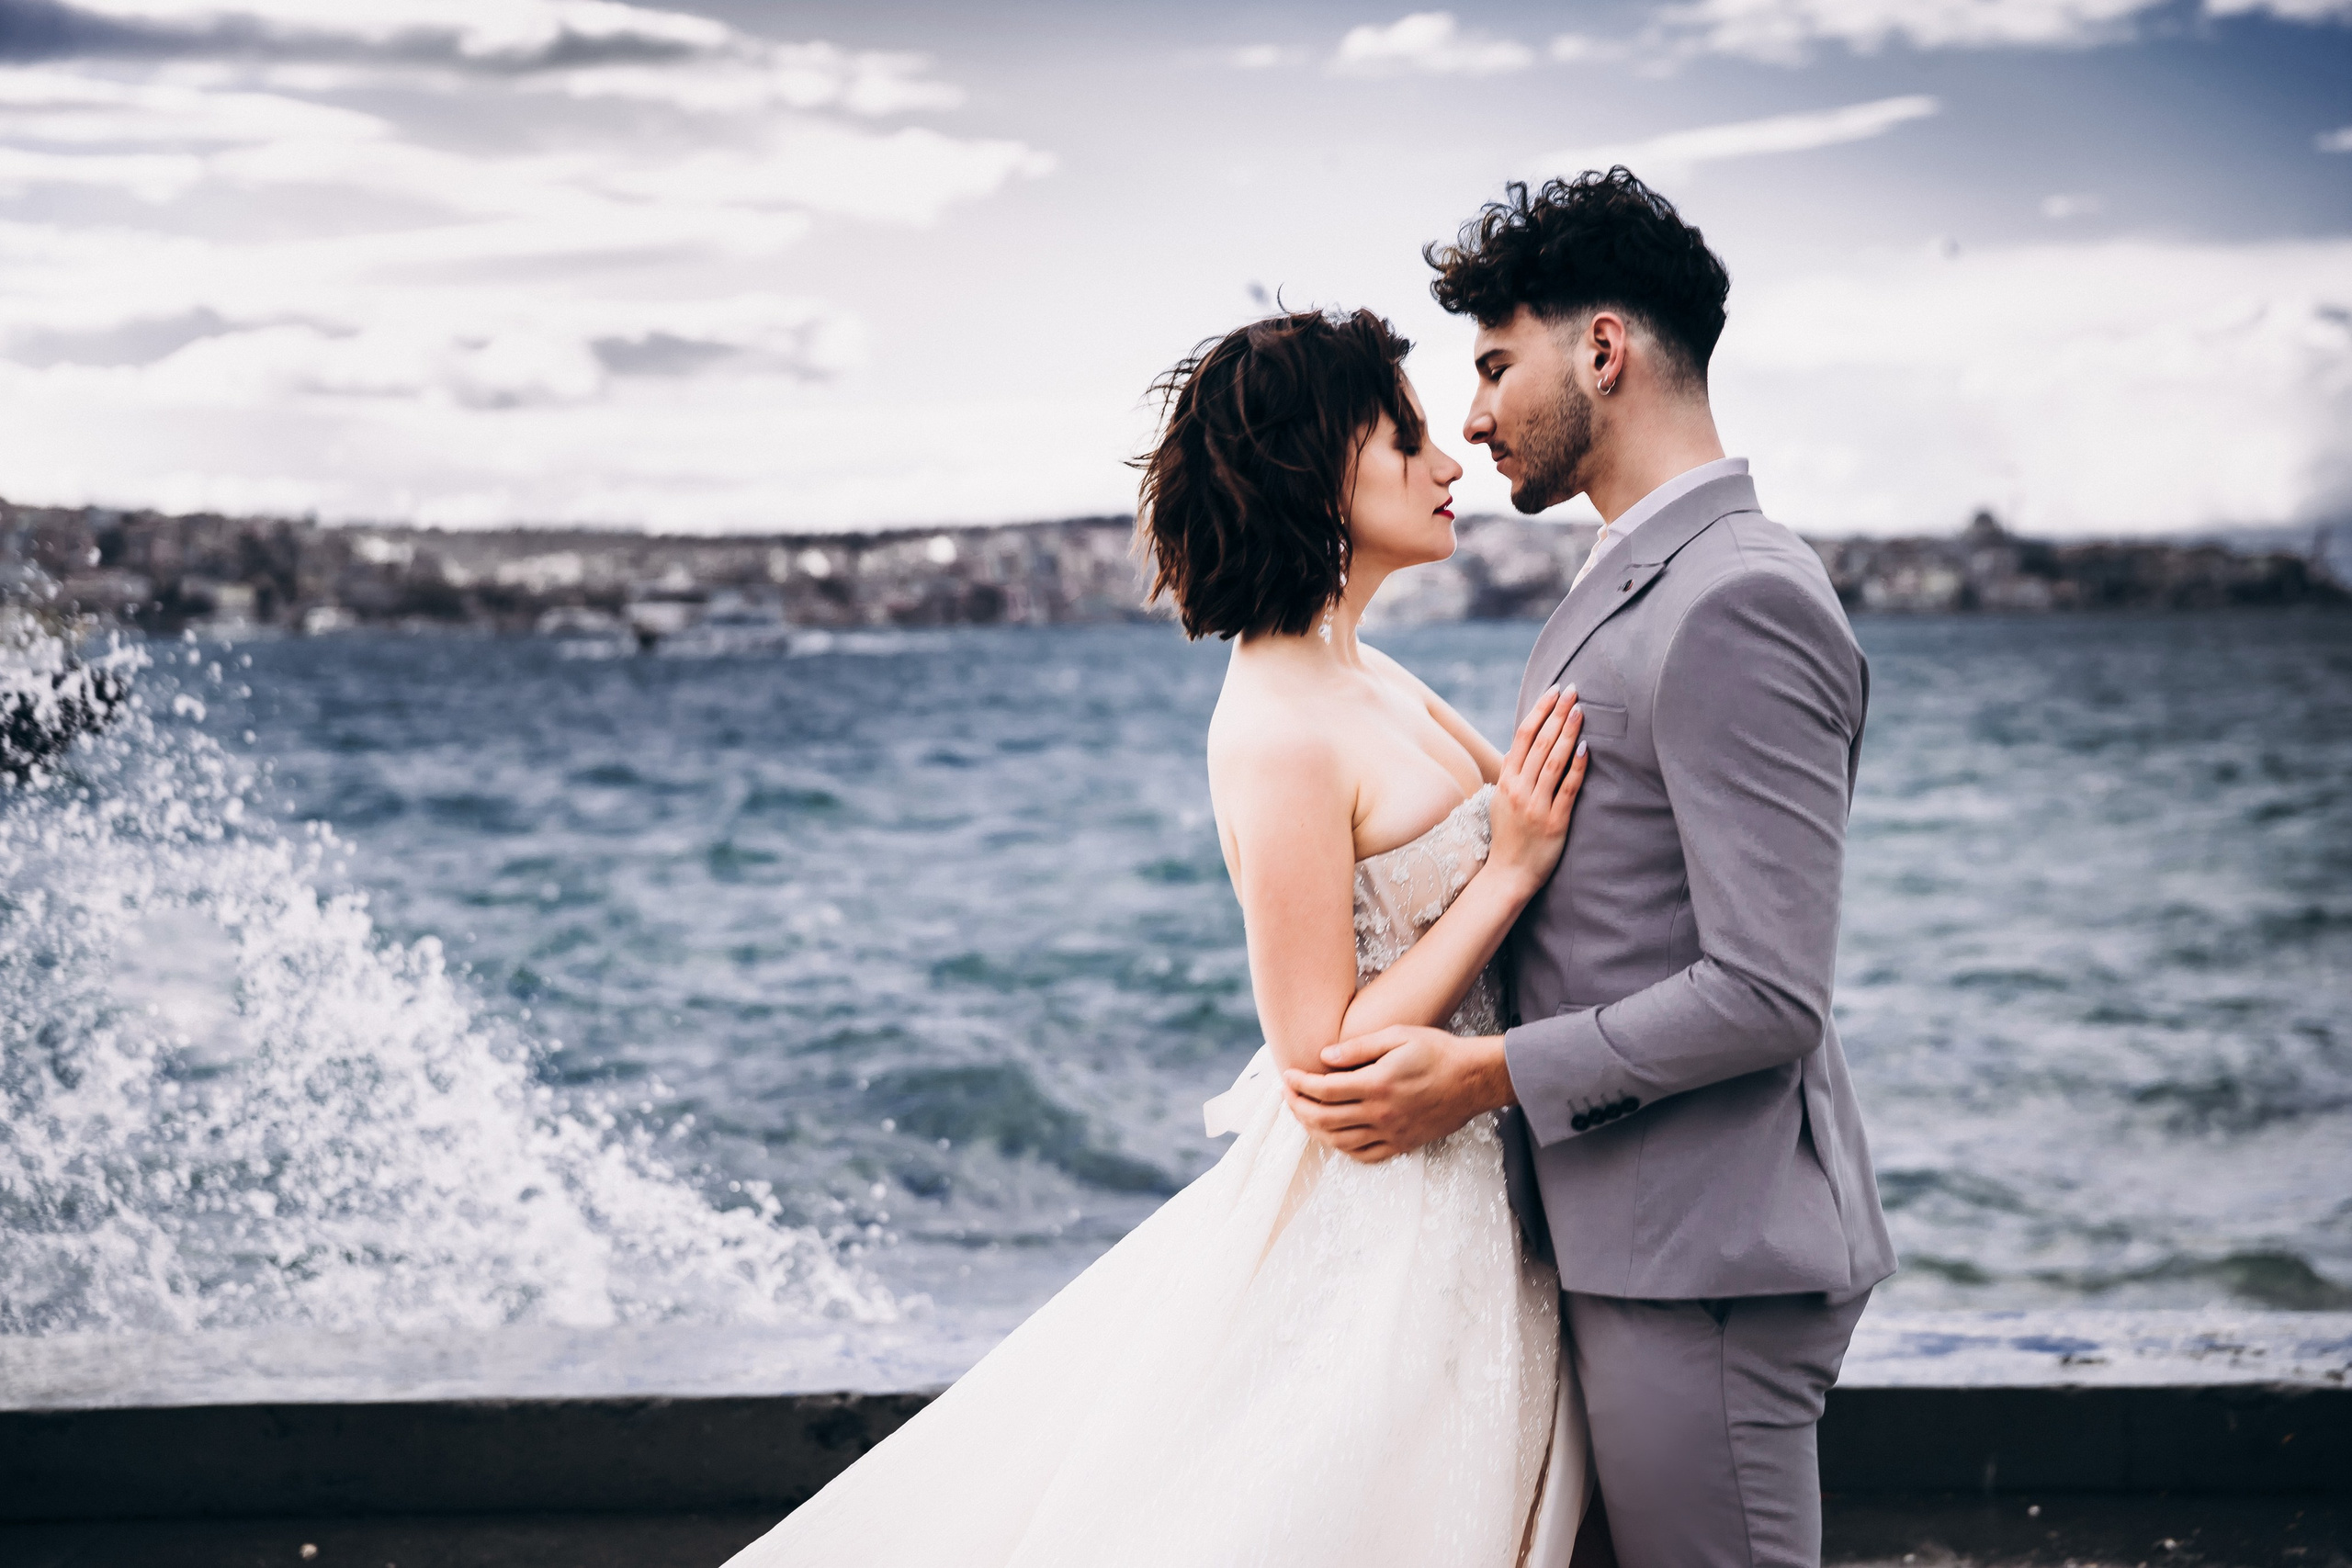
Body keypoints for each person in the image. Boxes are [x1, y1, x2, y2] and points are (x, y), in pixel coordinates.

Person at [724, 307, 1594, 1567]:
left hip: (1474, 1181)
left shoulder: (1366, 670)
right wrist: (1507, 876)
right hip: (1393, 1215)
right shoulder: (1275, 727)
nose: (1451, 458)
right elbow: (1318, 1052)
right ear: (1317, 470)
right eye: (1405, 437)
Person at [1284, 168, 1898, 1568]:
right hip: (1638, 1240)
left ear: (1604, 350)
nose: (1477, 415)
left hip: (1711, 1260)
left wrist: (1484, 1075)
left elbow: (1764, 991)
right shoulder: (1635, 572)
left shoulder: (1737, 593)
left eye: (1496, 365)